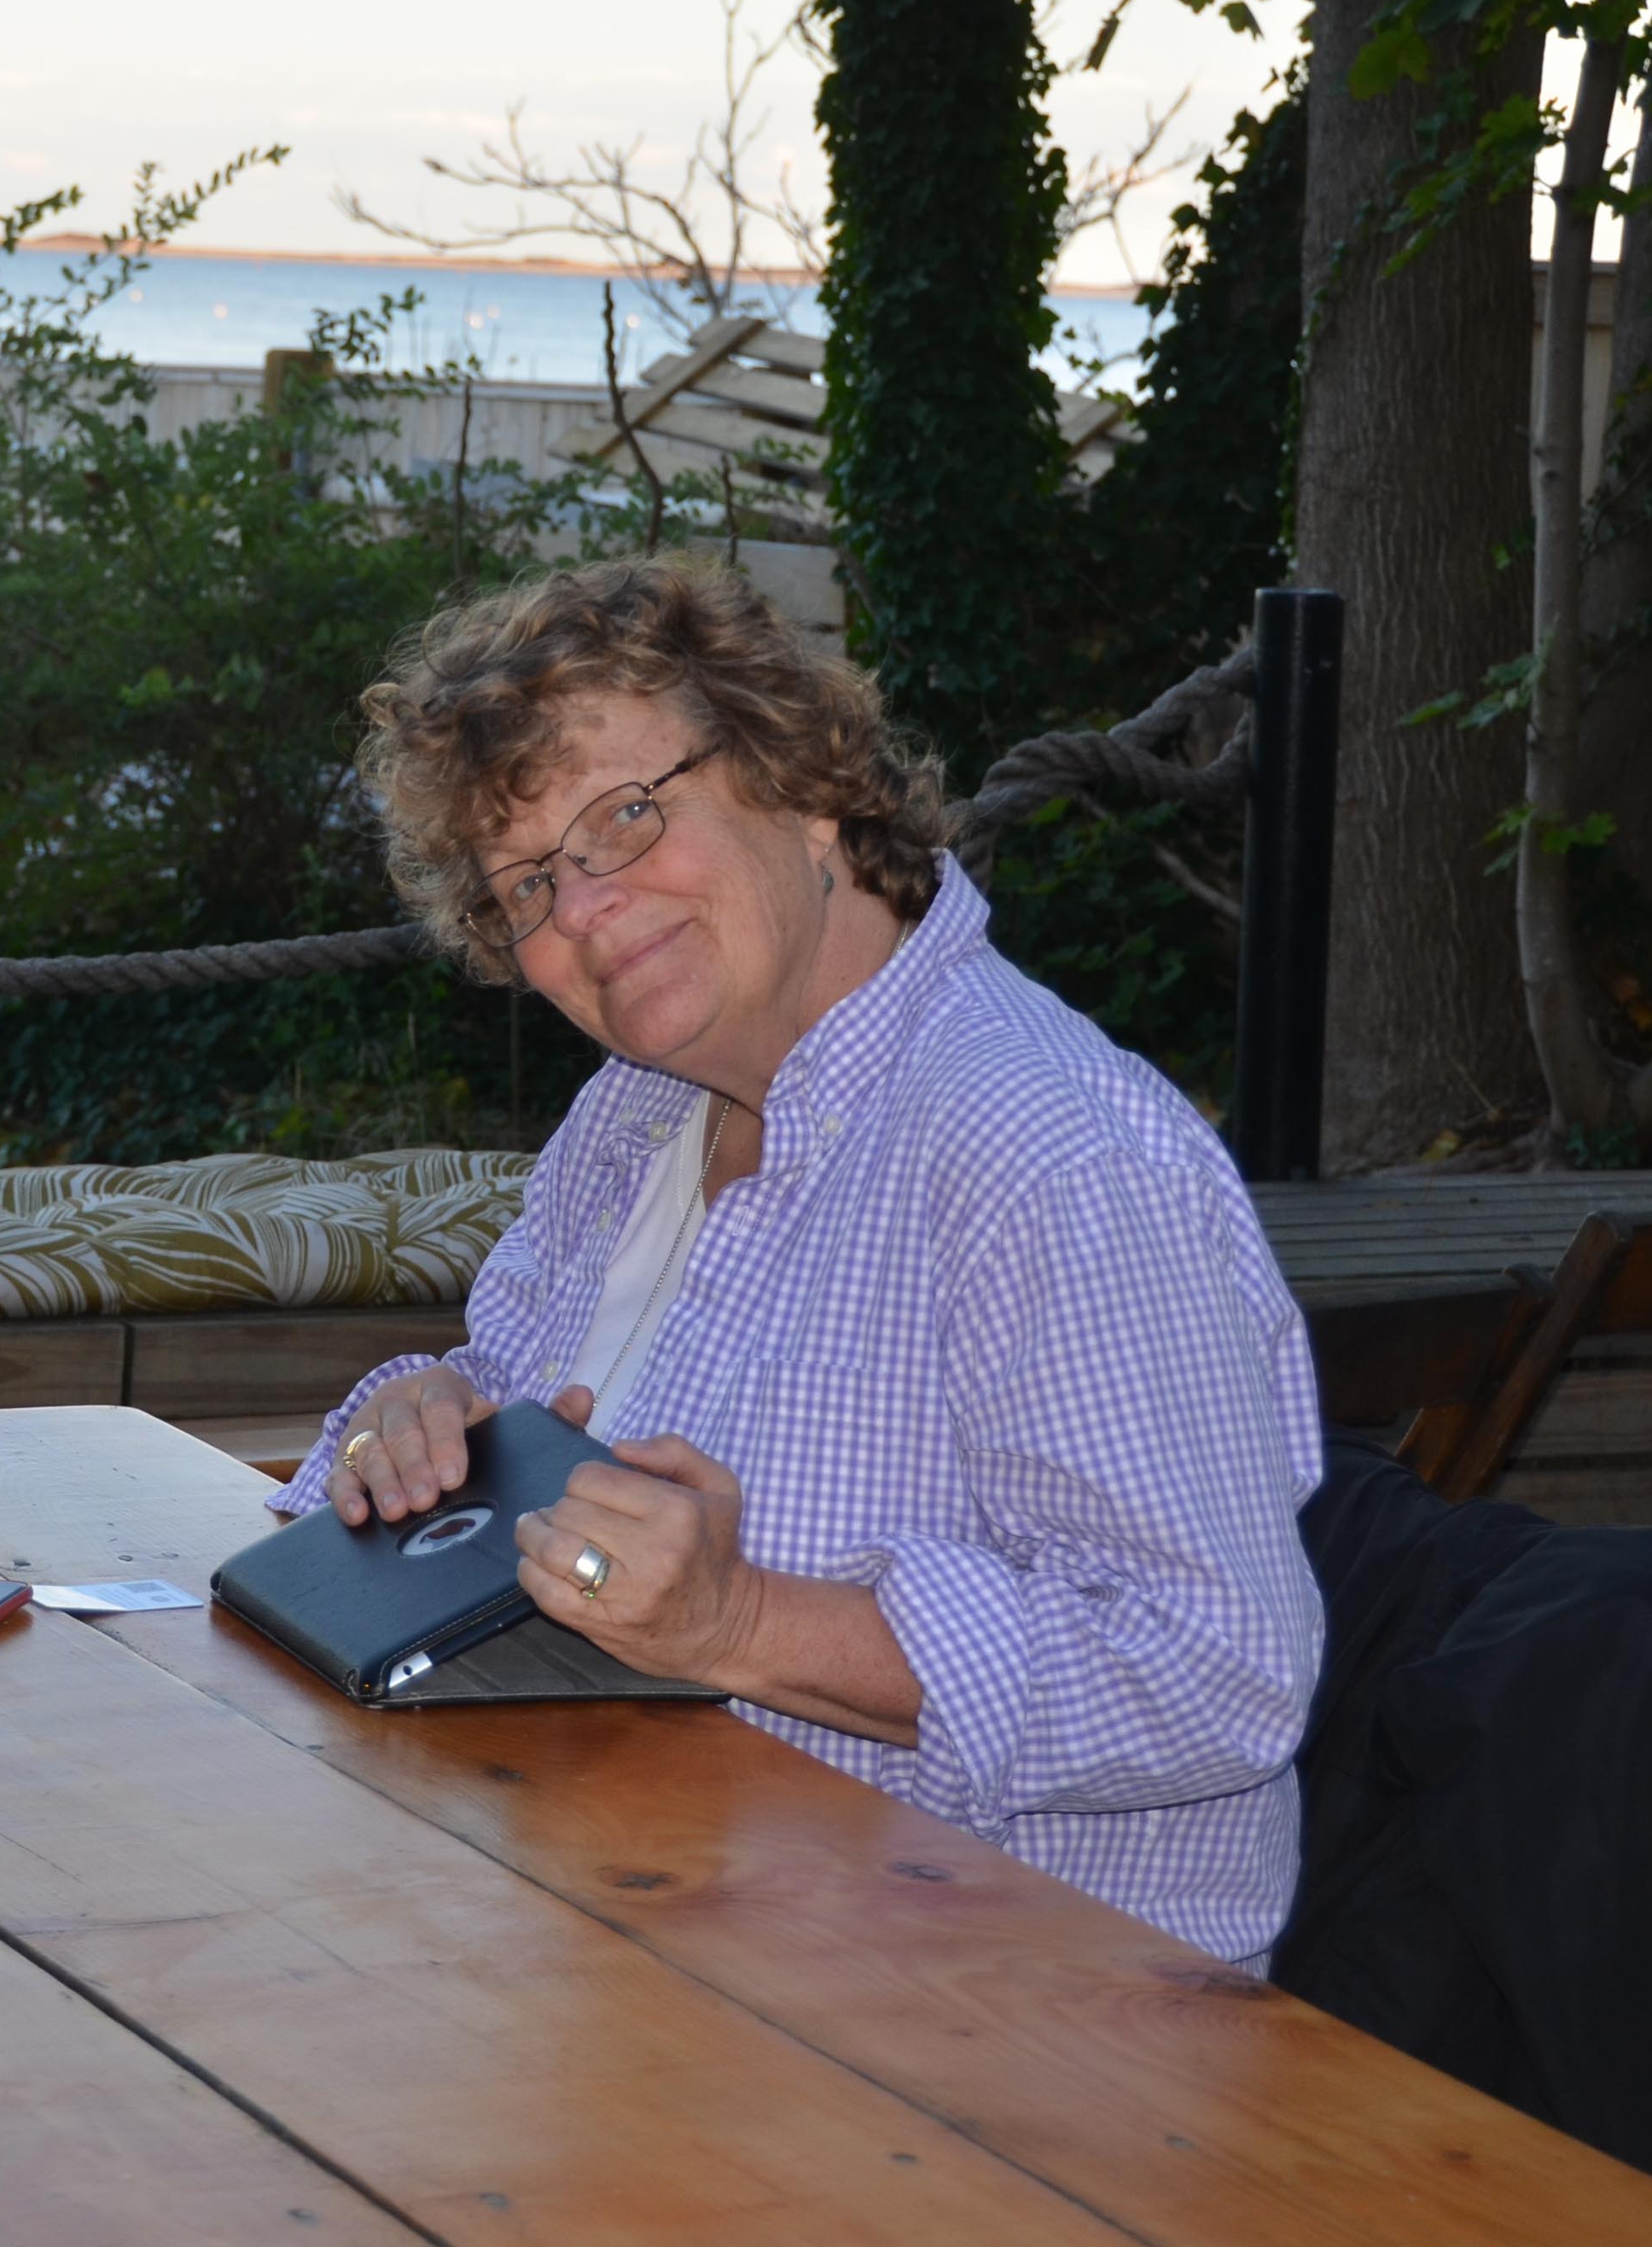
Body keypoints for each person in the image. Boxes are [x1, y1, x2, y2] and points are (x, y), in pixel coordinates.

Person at [276, 556, 1327, 1965]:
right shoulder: (641, 1116)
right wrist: (418, 1425)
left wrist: (743, 1620)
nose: (581, 913)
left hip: (1006, 2043)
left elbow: (1220, 1673)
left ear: (811, 789)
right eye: (524, 887)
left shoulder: (1050, 1149)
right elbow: (508, 1397)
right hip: (632, 1927)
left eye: (628, 818)